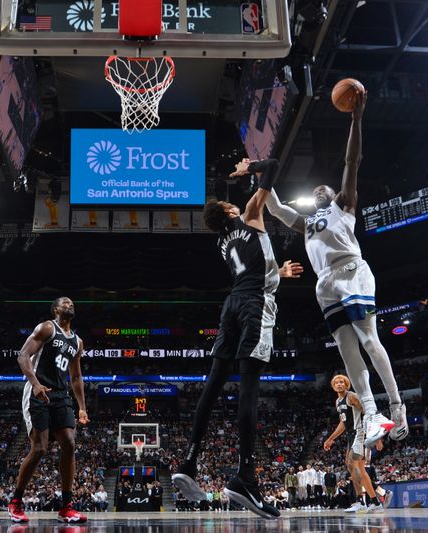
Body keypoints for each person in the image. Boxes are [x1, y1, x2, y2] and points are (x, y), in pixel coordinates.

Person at [265, 91, 406, 446]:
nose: (318, 190)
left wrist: (356, 119)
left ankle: (397, 404)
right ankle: (373, 413)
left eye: (322, 188)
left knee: (369, 340)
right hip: (324, 283)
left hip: (351, 271)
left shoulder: (344, 204)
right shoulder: (308, 221)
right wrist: (260, 177)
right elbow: (278, 210)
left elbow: (351, 162)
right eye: (315, 191)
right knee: (345, 349)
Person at [171, 156, 303, 520]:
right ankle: (246, 477)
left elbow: (254, 265)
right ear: (230, 209)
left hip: (231, 305)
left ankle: (189, 461)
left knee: (213, 384)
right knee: (250, 388)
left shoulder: (222, 242)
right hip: (255, 305)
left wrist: (279, 272)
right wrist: (252, 169)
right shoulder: (248, 214)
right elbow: (274, 165)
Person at [8, 297, 90, 524]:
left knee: (70, 443)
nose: (70, 305)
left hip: (61, 395)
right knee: (40, 448)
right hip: (38, 390)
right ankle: (15, 501)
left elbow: (75, 376)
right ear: (55, 309)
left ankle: (67, 507)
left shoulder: (77, 341)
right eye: (65, 303)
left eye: (72, 303)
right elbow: (23, 356)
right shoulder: (46, 328)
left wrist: (82, 407)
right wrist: (35, 384)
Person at [323, 374, 383, 513]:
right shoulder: (338, 401)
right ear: (333, 386)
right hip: (351, 435)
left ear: (347, 384)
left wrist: (376, 436)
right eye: (336, 382)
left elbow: (368, 413)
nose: (339, 384)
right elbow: (343, 424)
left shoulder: (352, 397)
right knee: (358, 469)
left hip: (360, 432)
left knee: (352, 464)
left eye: (342, 382)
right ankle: (374, 501)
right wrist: (331, 438)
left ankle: (360, 501)